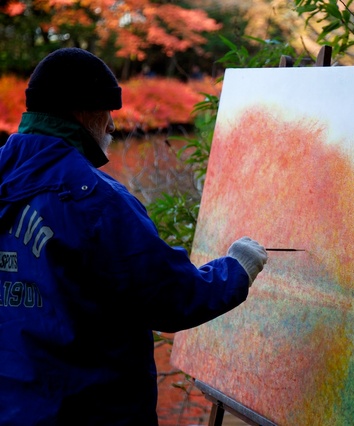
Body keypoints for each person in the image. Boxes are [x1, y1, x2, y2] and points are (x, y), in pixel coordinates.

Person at [0, 47, 268, 425]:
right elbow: (170, 297)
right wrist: (237, 268)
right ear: (81, 113)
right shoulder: (93, 200)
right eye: (107, 111)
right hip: (90, 412)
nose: (111, 126)